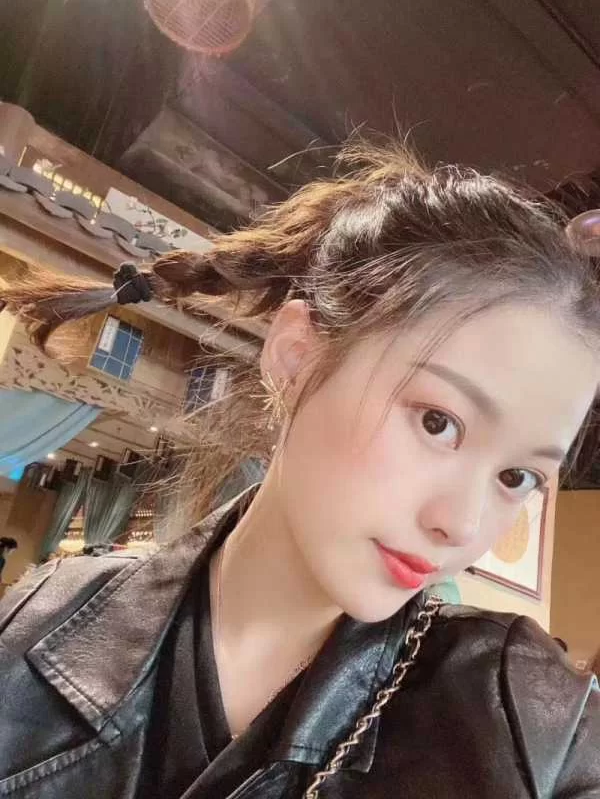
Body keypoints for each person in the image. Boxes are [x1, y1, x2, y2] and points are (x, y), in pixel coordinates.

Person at [0, 144, 599, 798]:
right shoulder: (46, 622)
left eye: (516, 478)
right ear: (295, 358)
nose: (461, 524)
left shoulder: (522, 723)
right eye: (438, 422)